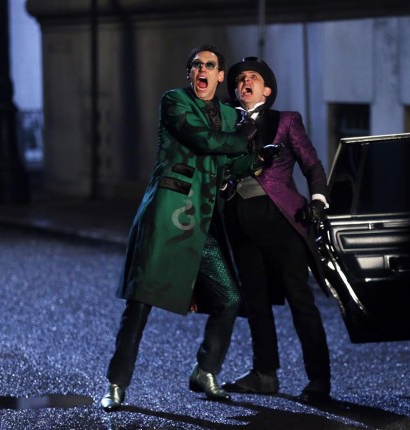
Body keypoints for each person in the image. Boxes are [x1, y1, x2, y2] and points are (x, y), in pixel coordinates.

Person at [100, 45, 258, 412]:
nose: (203, 70)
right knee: (140, 302)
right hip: (167, 215)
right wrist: (242, 138)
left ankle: (205, 370)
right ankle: (115, 383)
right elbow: (201, 140)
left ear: (220, 76)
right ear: (189, 73)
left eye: (210, 65)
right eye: (197, 65)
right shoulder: (174, 101)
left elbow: (227, 164)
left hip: (200, 222)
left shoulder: (228, 114)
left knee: (230, 298)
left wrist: (258, 157)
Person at [221, 57, 332, 403]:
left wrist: (318, 201)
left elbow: (313, 166)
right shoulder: (226, 125)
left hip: (281, 220)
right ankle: (264, 373)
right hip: (241, 222)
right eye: (240, 79)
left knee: (300, 300)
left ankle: (319, 378)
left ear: (266, 89)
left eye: (253, 77)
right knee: (255, 300)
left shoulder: (286, 121)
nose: (245, 82)